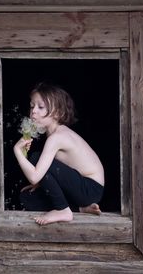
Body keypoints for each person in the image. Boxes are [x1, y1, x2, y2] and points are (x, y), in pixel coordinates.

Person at [13, 82, 105, 225]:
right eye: (32, 106)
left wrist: (17, 151)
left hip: (89, 188)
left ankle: (63, 210)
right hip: (81, 188)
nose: (33, 111)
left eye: (41, 107)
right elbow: (52, 173)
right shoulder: (54, 136)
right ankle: (79, 208)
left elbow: (34, 177)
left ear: (57, 113)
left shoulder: (57, 138)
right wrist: (41, 183)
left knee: (36, 158)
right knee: (28, 197)